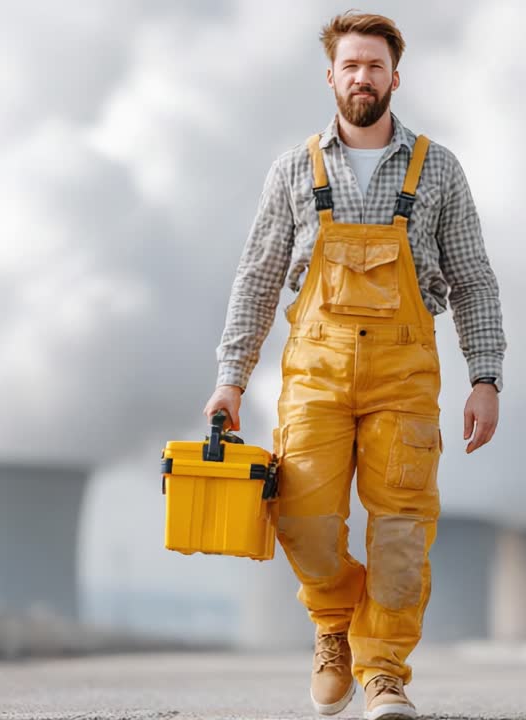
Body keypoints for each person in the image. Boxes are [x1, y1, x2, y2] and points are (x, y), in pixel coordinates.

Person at [203, 11, 506, 720]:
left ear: (395, 76)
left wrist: (485, 377)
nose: (362, 76)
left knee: (402, 536)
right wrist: (230, 378)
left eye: (374, 65)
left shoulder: (439, 169)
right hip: (315, 375)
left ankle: (385, 673)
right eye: (350, 65)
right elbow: (255, 278)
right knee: (303, 524)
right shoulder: (293, 170)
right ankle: (335, 624)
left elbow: (474, 280)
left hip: (406, 379)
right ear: (331, 76)